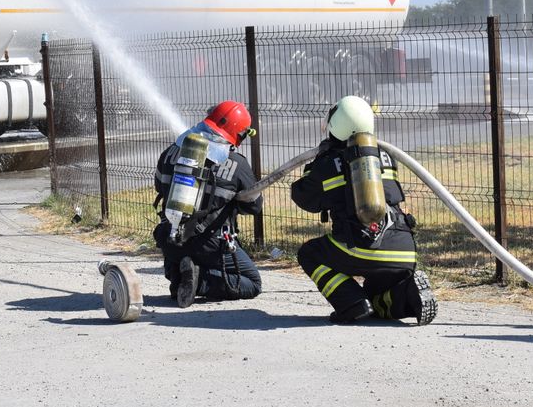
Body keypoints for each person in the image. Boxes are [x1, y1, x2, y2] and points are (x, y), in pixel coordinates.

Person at [289, 95, 436, 325]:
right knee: (376, 300)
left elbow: (303, 198)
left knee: (309, 254)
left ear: (336, 125)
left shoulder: (330, 163)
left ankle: (350, 303)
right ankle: (409, 294)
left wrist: (317, 163)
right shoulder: (385, 156)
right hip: (404, 252)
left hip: (362, 246)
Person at [153, 100, 263, 308]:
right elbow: (255, 207)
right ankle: (200, 280)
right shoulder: (237, 164)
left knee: (178, 252)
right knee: (252, 283)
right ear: (239, 134)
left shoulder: (170, 152)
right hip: (211, 245)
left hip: (171, 238)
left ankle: (177, 275)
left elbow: (160, 186)